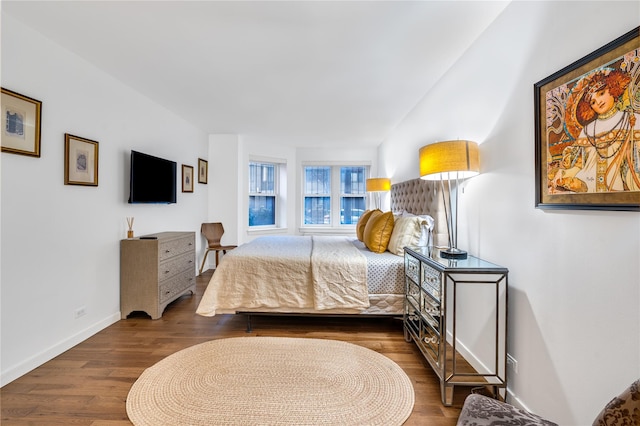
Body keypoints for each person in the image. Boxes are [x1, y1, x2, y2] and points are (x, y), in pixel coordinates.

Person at [554, 68, 640, 193]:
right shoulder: (588, 130)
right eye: (593, 102)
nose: (598, 102)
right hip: (587, 185)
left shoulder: (632, 119)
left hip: (620, 187)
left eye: (601, 93)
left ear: (612, 88)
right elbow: (579, 164)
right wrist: (565, 174)